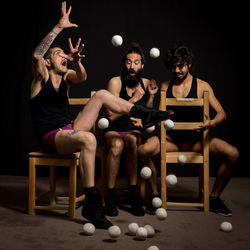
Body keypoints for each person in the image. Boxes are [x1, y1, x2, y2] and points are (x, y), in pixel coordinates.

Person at [30, 2, 174, 228]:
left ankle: (142, 114)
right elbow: (37, 55)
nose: (63, 56)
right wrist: (59, 27)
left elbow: (82, 78)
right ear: (49, 62)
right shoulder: (40, 79)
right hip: (51, 137)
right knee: (89, 138)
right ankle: (92, 203)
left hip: (68, 129)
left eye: (63, 54)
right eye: (58, 54)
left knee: (102, 95)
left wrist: (76, 63)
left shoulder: (67, 78)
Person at [138, 44, 239, 217]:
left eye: (180, 66)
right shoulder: (164, 86)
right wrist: (151, 100)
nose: (177, 70)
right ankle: (155, 197)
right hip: (171, 141)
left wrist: (212, 123)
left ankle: (214, 198)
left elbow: (222, 113)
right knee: (143, 150)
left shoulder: (202, 86)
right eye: (173, 67)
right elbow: (158, 116)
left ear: (189, 64)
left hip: (198, 142)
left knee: (233, 154)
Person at [103, 43, 159, 217]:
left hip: (133, 131)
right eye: (128, 62)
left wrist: (150, 97)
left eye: (136, 63)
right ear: (123, 64)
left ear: (142, 65)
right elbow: (111, 116)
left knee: (131, 141)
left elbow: (146, 116)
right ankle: (109, 196)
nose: (132, 66)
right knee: (117, 145)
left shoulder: (147, 83)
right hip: (114, 129)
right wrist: (133, 100)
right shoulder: (115, 82)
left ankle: (132, 194)